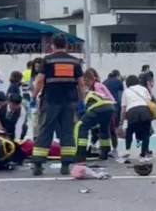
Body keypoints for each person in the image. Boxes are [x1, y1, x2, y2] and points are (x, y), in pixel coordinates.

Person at [30, 33, 84, 176]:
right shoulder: (75, 62)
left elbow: (40, 80)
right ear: (66, 45)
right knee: (67, 132)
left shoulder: (47, 60)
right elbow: (81, 83)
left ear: (52, 46)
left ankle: (38, 164)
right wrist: (82, 100)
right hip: (70, 102)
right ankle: (66, 165)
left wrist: (34, 95)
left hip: (50, 101)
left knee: (46, 130)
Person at [76, 70, 117, 161]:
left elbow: (81, 110)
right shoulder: (96, 88)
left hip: (99, 106)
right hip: (110, 107)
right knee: (104, 128)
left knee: (81, 126)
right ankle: (105, 152)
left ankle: (80, 153)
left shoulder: (91, 88)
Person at [121, 74, 154, 161]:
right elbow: (149, 101)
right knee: (146, 134)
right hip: (145, 111)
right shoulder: (143, 89)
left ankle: (127, 150)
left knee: (130, 131)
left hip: (132, 112)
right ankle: (143, 155)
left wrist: (121, 123)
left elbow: (123, 110)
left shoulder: (126, 91)